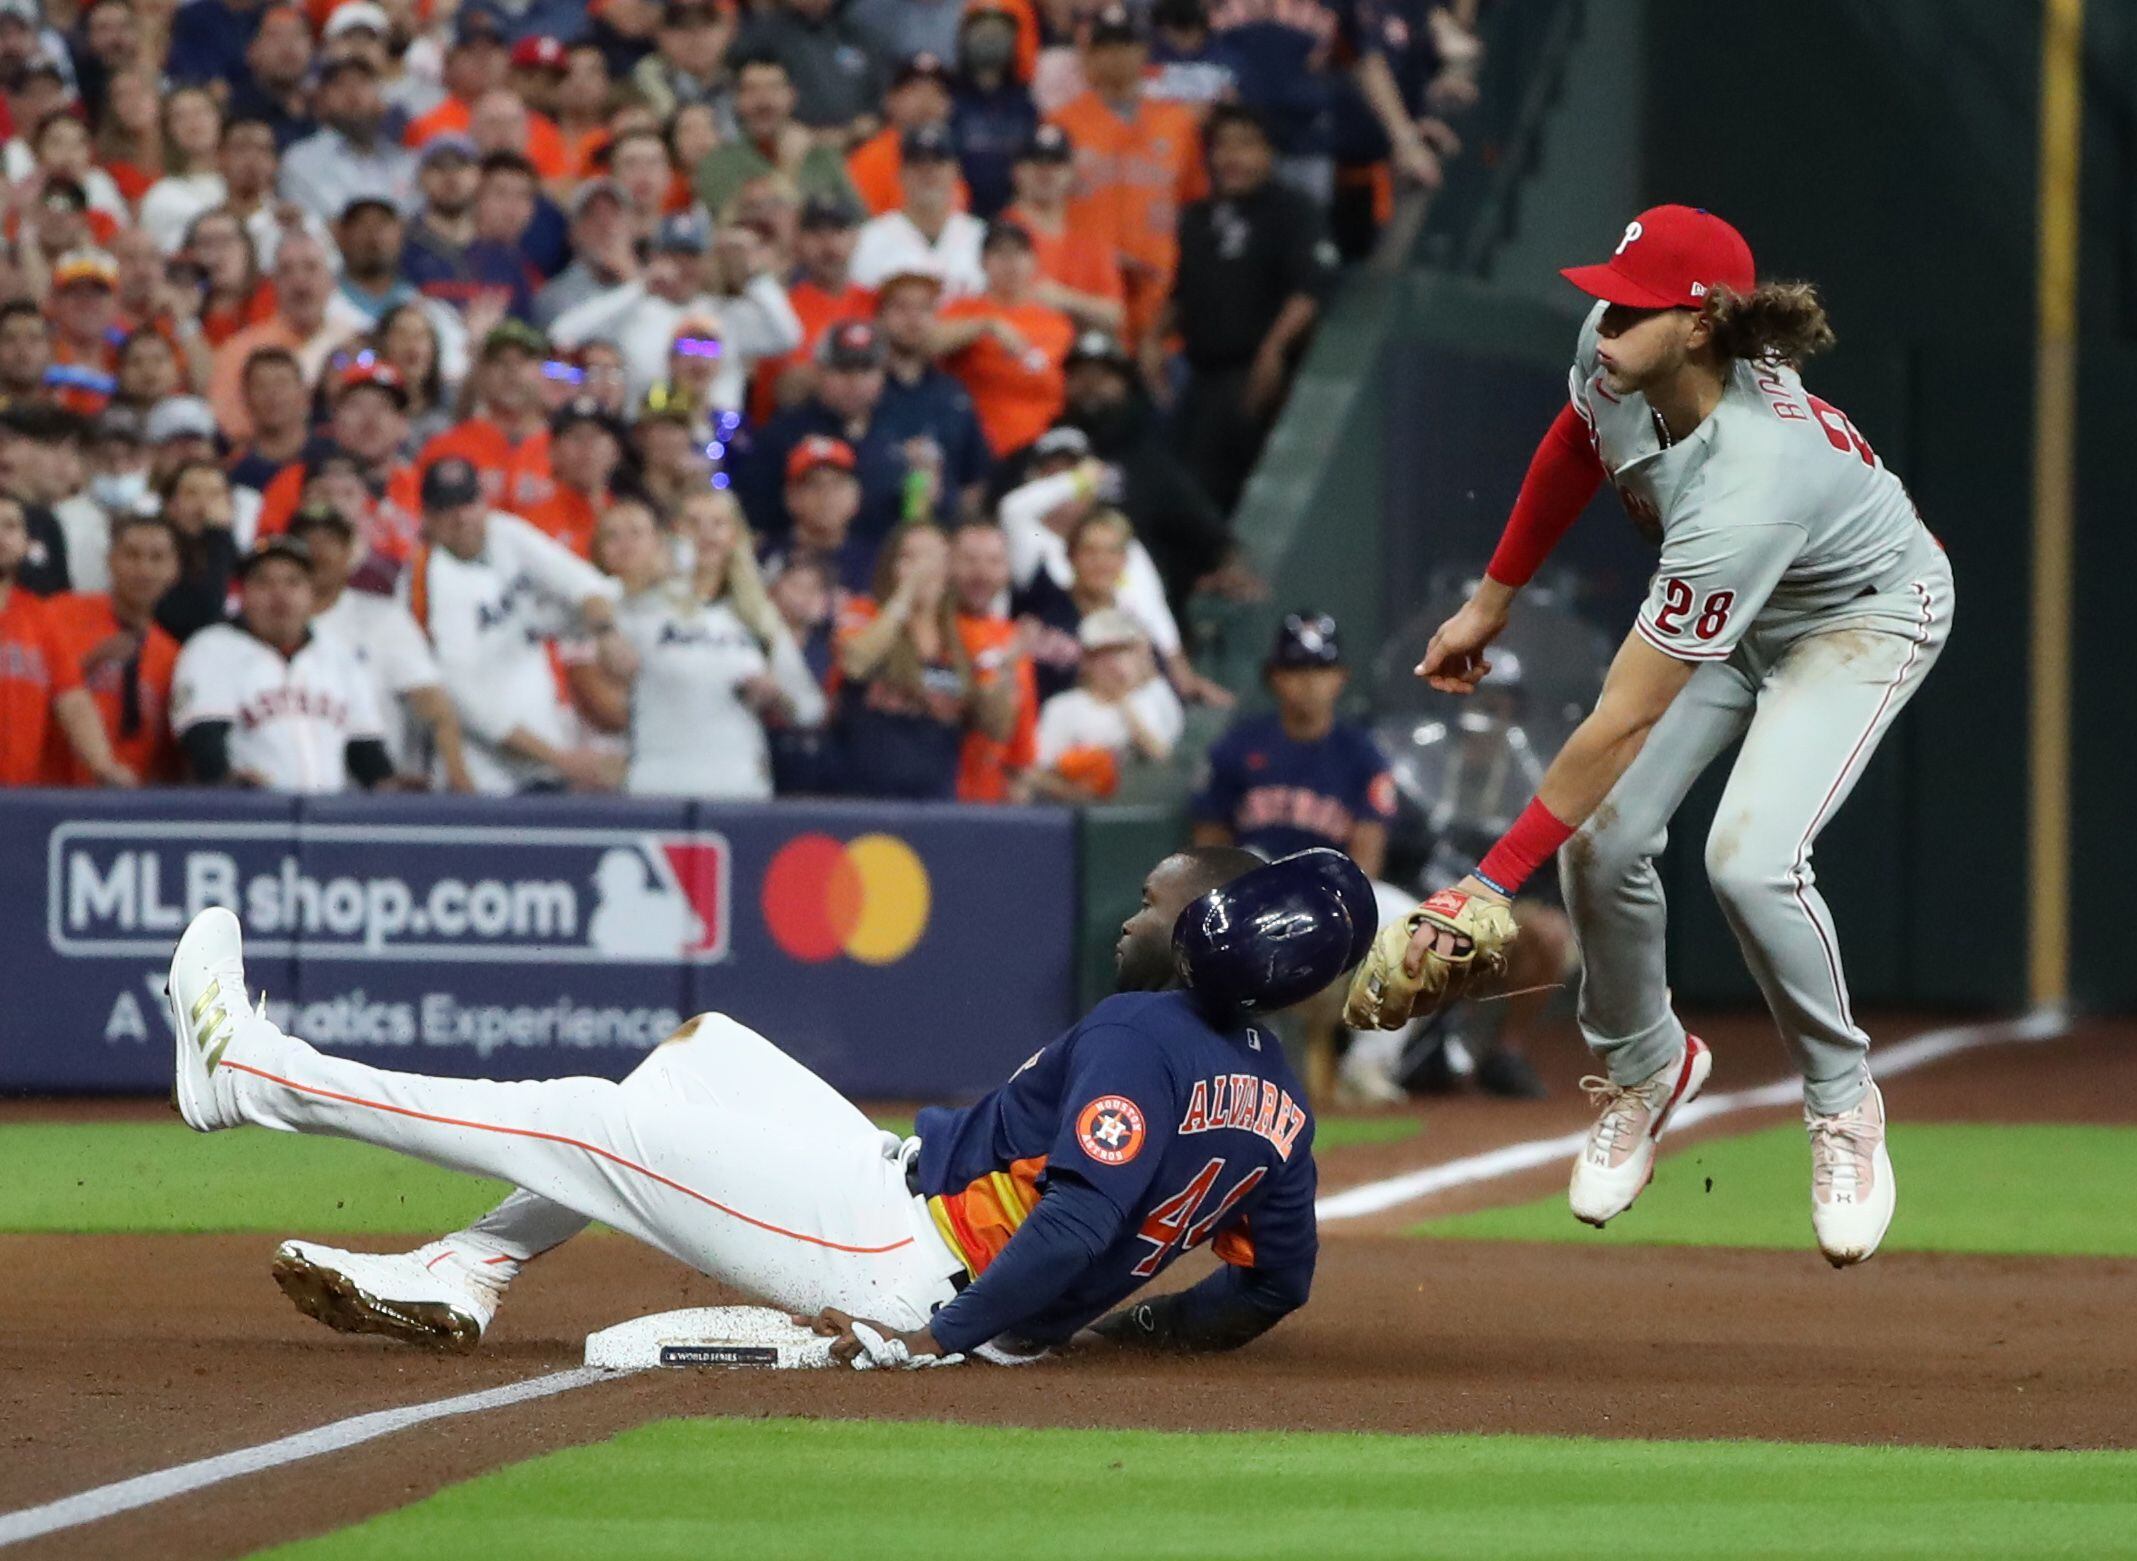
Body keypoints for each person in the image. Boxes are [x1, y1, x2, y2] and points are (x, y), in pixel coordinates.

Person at [172, 845, 1353, 1364]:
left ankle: (255, 1076)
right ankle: (467, 1269)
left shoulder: (1144, 1032)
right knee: (703, 1050)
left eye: (1156, 900)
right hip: (905, 1194)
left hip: (898, 1256)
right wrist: (1131, 1329)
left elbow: (1084, 1222)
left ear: (1208, 923)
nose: (1134, 916)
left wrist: (938, 1335)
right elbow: (1274, 1284)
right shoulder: (1280, 1101)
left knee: (589, 1117)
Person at [1379, 206, 1955, 1266]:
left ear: (1699, 325)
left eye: (1635, 306)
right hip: (1738, 611)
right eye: (1607, 294)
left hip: (1859, 614)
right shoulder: (1618, 353)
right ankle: (1645, 1065)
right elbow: (1573, 439)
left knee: (1749, 862)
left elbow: (1625, 714)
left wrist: (1490, 881)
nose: (1605, 321)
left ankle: (1842, 1103)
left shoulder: (1749, 478)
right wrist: (1492, 600)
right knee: (1602, 835)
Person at [400, 456, 635, 794]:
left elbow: (585, 584)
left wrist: (606, 633)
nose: (462, 517)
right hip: (481, 778)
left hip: (544, 762)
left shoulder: (503, 532)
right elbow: (468, 704)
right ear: (427, 517)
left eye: (468, 503)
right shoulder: (425, 582)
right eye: (447, 508)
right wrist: (561, 760)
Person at [1157, 104, 1338, 516]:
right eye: (1222, 146)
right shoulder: (1199, 217)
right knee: (1184, 481)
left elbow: (1309, 288)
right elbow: (1184, 292)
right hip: (1200, 374)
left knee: (1226, 489)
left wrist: (1272, 350)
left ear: (1269, 153)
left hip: (1256, 374)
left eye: (1246, 145)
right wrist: (1152, 339)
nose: (1232, 158)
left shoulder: (1293, 210)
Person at [592, 492, 827, 799]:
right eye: (693, 523)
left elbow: (810, 708)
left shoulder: (756, 617)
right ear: (672, 533)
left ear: (734, 537)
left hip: (740, 787)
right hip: (658, 783)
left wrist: (776, 695)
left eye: (718, 524)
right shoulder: (638, 605)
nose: (706, 534)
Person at [168, 535, 396, 792]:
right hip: (247, 816)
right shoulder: (212, 648)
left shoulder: (339, 656)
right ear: (243, 594)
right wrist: (225, 781)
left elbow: (366, 750)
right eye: (264, 582)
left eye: (293, 582)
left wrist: (392, 786)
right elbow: (203, 742)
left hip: (328, 817)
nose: (279, 594)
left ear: (311, 593)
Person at [1050, 6, 1205, 345]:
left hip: (1160, 284)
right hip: (1089, 286)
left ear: (1144, 52)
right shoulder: (1061, 124)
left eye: (1126, 46)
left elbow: (1194, 204)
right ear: (1088, 57)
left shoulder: (1176, 121)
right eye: (1105, 48)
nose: (1117, 57)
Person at [292, 504, 474, 791]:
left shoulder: (383, 619)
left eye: (330, 542)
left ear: (350, 553)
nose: (318, 552)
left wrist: (459, 777)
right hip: (285, 789)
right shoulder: (261, 625)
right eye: (306, 542)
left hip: (373, 794)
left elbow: (433, 705)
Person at [833, 520, 1016, 800]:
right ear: (890, 566)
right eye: (910, 558)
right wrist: (905, 596)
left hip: (936, 800)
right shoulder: (865, 613)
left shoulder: (966, 633)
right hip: (864, 797)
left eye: (933, 557)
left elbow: (997, 726)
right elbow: (854, 663)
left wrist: (1006, 674)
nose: (924, 568)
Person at [0, 495, 136, 786]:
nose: (0, 535)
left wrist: (103, 765)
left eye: (10, 526)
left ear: (27, 544)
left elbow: (72, 698)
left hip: (16, 801)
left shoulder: (40, 617)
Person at [40, 512, 183, 784]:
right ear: (110, 560)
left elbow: (168, 759)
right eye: (131, 555)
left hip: (125, 806)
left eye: (157, 558)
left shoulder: (171, 655)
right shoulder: (57, 615)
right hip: (48, 794)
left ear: (174, 570)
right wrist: (86, 665)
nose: (143, 569)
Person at [205, 232, 364, 440]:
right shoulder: (239, 351)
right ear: (273, 284)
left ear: (332, 281)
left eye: (311, 267)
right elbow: (228, 423)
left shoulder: (354, 342)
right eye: (287, 271)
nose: (299, 281)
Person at [936, 218, 1073, 457]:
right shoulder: (963, 311)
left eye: (1019, 253)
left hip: (1043, 450)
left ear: (1033, 261)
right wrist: (986, 325)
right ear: (982, 262)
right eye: (1000, 254)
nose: (1011, 263)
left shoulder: (1057, 323)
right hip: (984, 449)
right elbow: (928, 342)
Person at [1031, 607, 1182, 801]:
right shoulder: (1063, 707)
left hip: (1145, 810)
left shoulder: (1153, 697)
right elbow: (1036, 771)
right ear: (1085, 661)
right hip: (1080, 817)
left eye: (1123, 651)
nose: (1115, 663)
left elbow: (1159, 755)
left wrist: (1122, 701)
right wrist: (1072, 792)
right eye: (1104, 654)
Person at [748, 192, 873, 421]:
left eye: (838, 231)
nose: (828, 245)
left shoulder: (876, 303)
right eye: (816, 233)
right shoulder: (783, 308)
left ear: (856, 237)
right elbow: (781, 392)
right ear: (798, 241)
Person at [693, 55, 859, 218]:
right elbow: (729, 221)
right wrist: (789, 167)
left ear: (792, 96)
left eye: (774, 88)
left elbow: (858, 219)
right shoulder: (718, 162)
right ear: (737, 100)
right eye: (751, 89)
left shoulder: (823, 157)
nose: (764, 101)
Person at [1000, 123, 1124, 335]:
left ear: (1071, 172)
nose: (1046, 172)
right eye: (1036, 162)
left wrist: (1062, 299)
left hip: (1081, 354)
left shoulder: (1089, 235)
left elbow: (1115, 315)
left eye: (1056, 163)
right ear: (1017, 171)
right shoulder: (1002, 231)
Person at [947, 518, 1036, 803]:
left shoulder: (1012, 636)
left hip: (994, 800)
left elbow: (1021, 740)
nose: (981, 573)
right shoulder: (934, 630)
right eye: (970, 560)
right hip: (942, 793)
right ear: (948, 564)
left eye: (994, 561)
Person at [848, 123, 984, 297]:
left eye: (938, 162)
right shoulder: (868, 240)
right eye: (917, 163)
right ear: (900, 174)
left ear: (955, 172)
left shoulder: (980, 237)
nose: (928, 172)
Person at [277, 56, 418, 223]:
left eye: (364, 83)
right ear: (321, 100)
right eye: (340, 85)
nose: (353, 93)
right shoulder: (300, 160)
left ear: (381, 99)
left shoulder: (404, 161)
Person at [847, 52, 966, 218]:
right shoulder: (869, 158)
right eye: (914, 90)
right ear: (890, 99)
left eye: (938, 91)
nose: (927, 101)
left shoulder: (951, 156)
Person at [947, 4, 1037, 220]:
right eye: (982, 30)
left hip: (1015, 216)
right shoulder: (950, 99)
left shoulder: (1024, 102)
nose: (990, 39)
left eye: (998, 32)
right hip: (962, 216)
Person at [761, 432, 875, 598]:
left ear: (856, 494)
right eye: (814, 485)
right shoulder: (766, 557)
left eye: (837, 484)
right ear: (791, 496)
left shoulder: (875, 562)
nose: (827, 496)